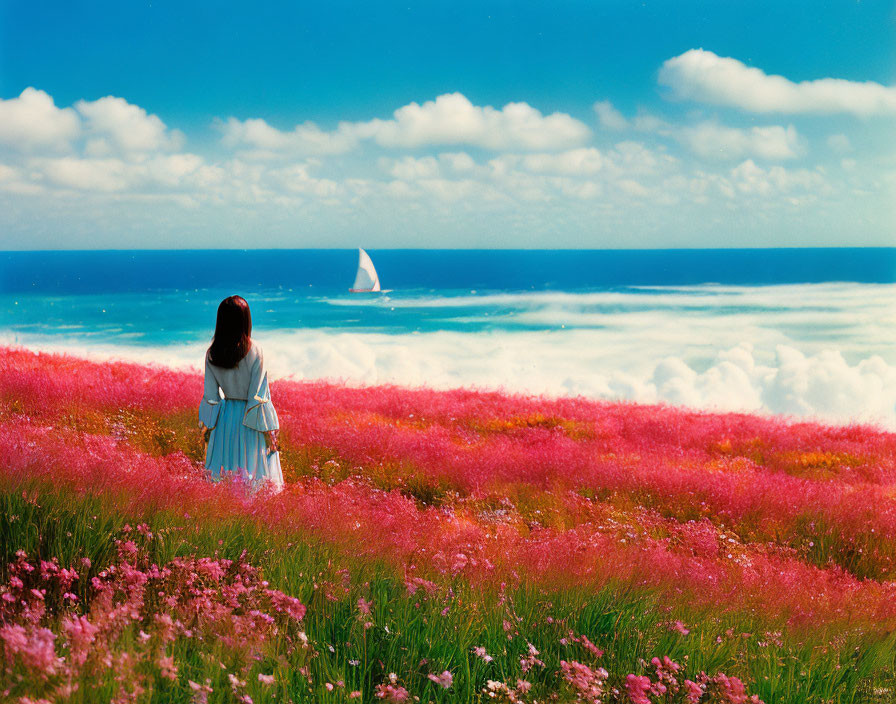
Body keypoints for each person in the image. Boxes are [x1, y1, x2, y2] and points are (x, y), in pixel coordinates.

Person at [198, 295, 283, 491]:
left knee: (225, 474)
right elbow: (258, 396)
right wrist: (269, 431)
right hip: (250, 420)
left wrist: (208, 427)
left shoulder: (212, 353)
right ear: (246, 320)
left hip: (226, 419)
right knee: (252, 475)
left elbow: (211, 397)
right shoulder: (256, 350)